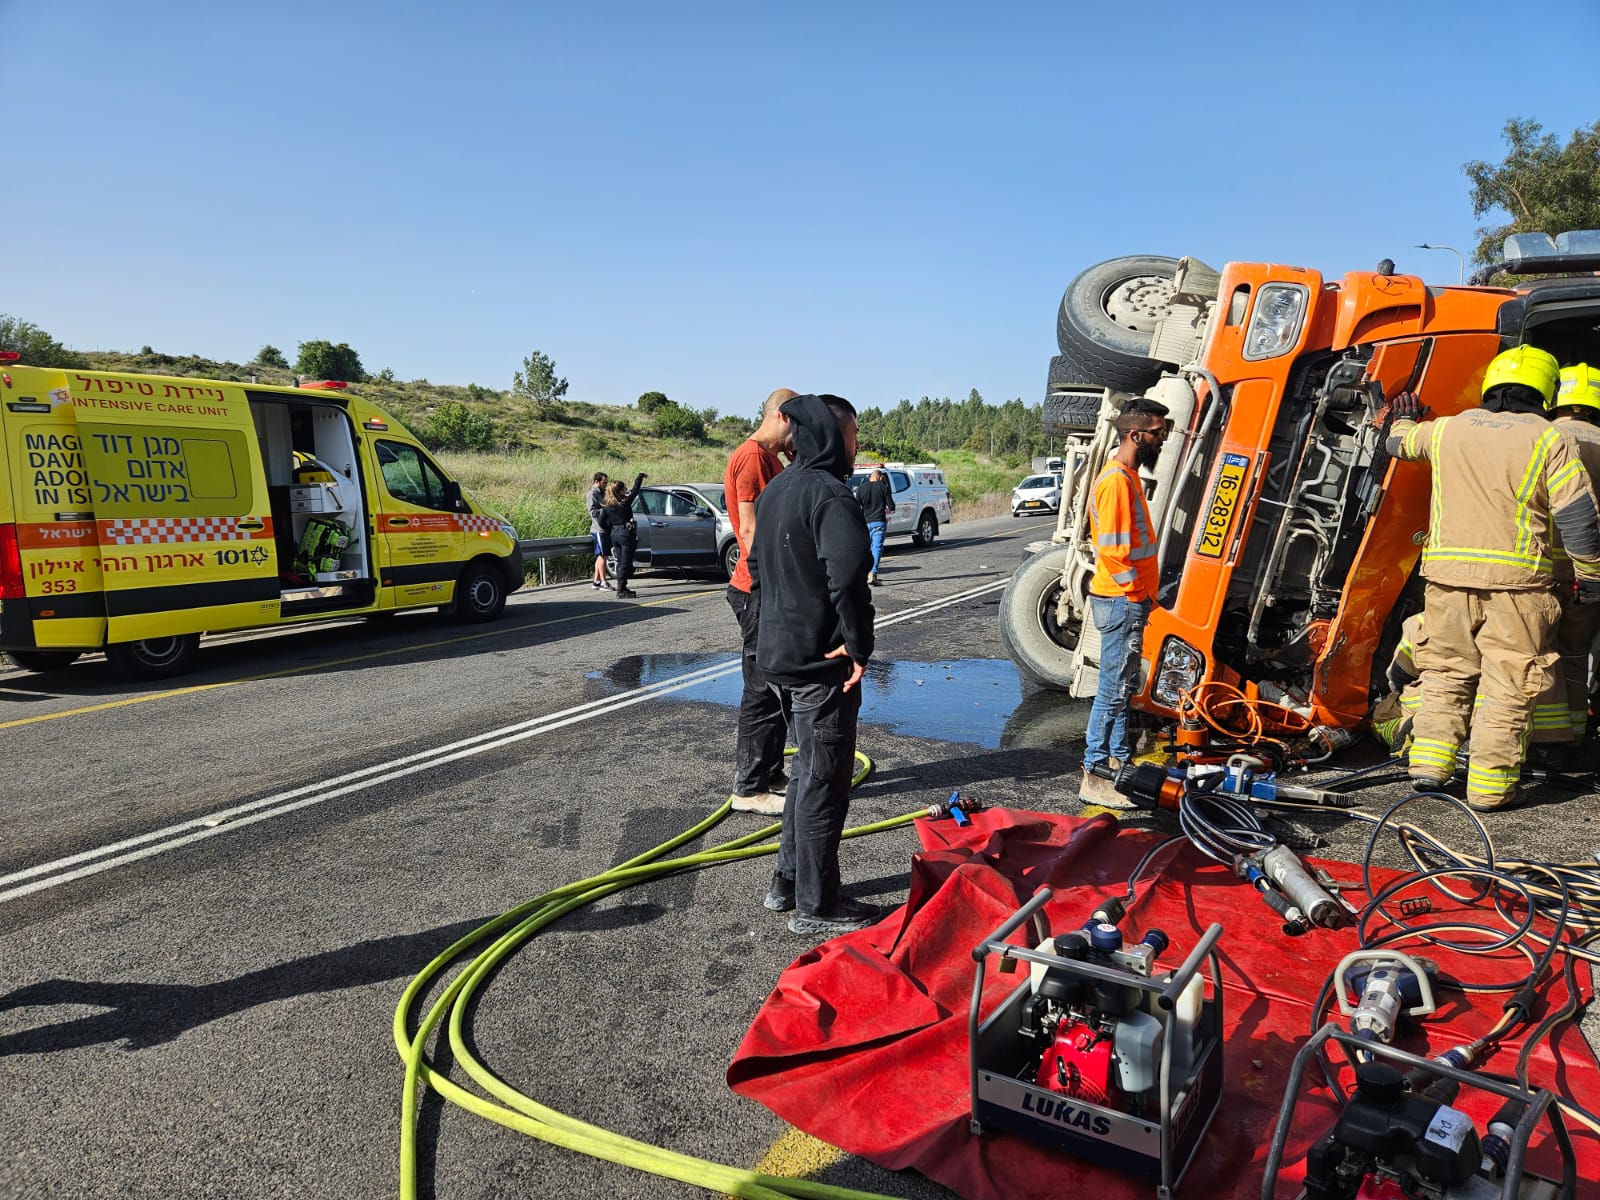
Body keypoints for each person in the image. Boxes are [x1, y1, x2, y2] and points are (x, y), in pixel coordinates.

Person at [1385, 345, 1600, 810]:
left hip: (1445, 581)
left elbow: (1398, 445)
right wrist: (1591, 575)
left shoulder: (1445, 430)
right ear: (1545, 393)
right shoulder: (1547, 439)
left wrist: (1401, 418)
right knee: (1510, 682)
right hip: (1518, 588)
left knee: (1445, 671)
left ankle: (1428, 765)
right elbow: (1579, 517)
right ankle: (1488, 787)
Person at [750, 393, 876, 936]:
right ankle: (817, 905)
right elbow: (847, 577)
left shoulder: (779, 487)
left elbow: (755, 565)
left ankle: (786, 883)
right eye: (852, 436)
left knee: (803, 776)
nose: (855, 447)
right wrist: (857, 644)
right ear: (833, 434)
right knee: (824, 780)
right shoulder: (830, 495)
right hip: (820, 665)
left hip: (777, 656)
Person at [1078, 401, 1170, 808]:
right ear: (1136, 435)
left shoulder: (1127, 477)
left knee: (1123, 688)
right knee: (1113, 690)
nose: (1162, 439)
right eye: (1158, 432)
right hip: (1121, 601)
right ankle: (1094, 770)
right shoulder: (1116, 481)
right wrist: (1139, 594)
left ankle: (1117, 762)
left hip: (1127, 601)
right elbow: (1114, 552)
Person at [723, 388, 797, 815]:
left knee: (777, 687)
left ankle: (769, 773)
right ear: (783, 417)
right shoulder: (751, 457)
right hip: (756, 589)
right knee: (761, 691)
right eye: (798, 427)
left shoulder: (769, 458)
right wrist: (776, 592)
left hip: (763, 588)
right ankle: (750, 788)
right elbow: (749, 532)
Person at [1534, 363, 1600, 753]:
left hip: (1538, 569)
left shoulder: (1542, 437)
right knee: (1575, 654)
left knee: (1535, 653)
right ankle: (1572, 734)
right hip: (1589, 573)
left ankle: (1536, 738)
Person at [598, 473, 647, 599]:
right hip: (625, 534)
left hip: (615, 535)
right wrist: (639, 478)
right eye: (624, 489)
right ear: (619, 491)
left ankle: (622, 587)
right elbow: (635, 491)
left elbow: (601, 522)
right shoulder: (623, 504)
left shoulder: (606, 506)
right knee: (626, 563)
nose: (625, 491)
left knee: (621, 562)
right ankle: (621, 589)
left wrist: (612, 528)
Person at [853, 467, 895, 585]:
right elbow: (891, 506)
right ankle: (873, 574)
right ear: (880, 477)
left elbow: (856, 505)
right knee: (876, 549)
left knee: (866, 549)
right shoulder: (883, 488)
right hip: (879, 522)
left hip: (865, 523)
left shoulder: (861, 488)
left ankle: (864, 575)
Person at [587, 471, 611, 590]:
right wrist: (605, 510)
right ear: (596, 482)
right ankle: (603, 581)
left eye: (606, 483)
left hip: (604, 528)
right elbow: (592, 512)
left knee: (601, 556)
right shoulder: (592, 494)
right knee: (603, 555)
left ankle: (596, 581)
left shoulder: (603, 493)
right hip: (599, 529)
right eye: (603, 483)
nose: (605, 485)